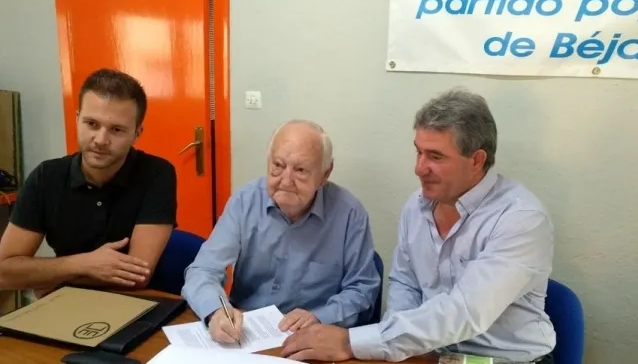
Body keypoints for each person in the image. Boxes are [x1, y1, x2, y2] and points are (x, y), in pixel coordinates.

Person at [281, 89, 556, 364]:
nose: (419, 168)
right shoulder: (417, 205)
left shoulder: (521, 219)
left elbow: (465, 313)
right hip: (428, 356)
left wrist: (352, 342)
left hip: (503, 361)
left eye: (435, 156)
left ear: (476, 160)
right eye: (419, 152)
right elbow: (405, 284)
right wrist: (397, 351)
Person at [181, 119, 381, 344]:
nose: (286, 180)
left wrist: (320, 317)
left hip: (312, 338)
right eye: (278, 165)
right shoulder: (246, 201)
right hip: (246, 333)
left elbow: (362, 289)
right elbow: (203, 270)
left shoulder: (349, 214)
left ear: (325, 174)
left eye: (300, 170)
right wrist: (216, 311)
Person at [0, 68, 177, 297]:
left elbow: (136, 277)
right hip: (68, 302)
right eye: (92, 124)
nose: (101, 140)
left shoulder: (157, 173)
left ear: (137, 133)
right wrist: (83, 264)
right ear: (77, 119)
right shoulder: (46, 177)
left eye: (116, 130)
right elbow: (3, 274)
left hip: (134, 301)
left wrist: (51, 277)